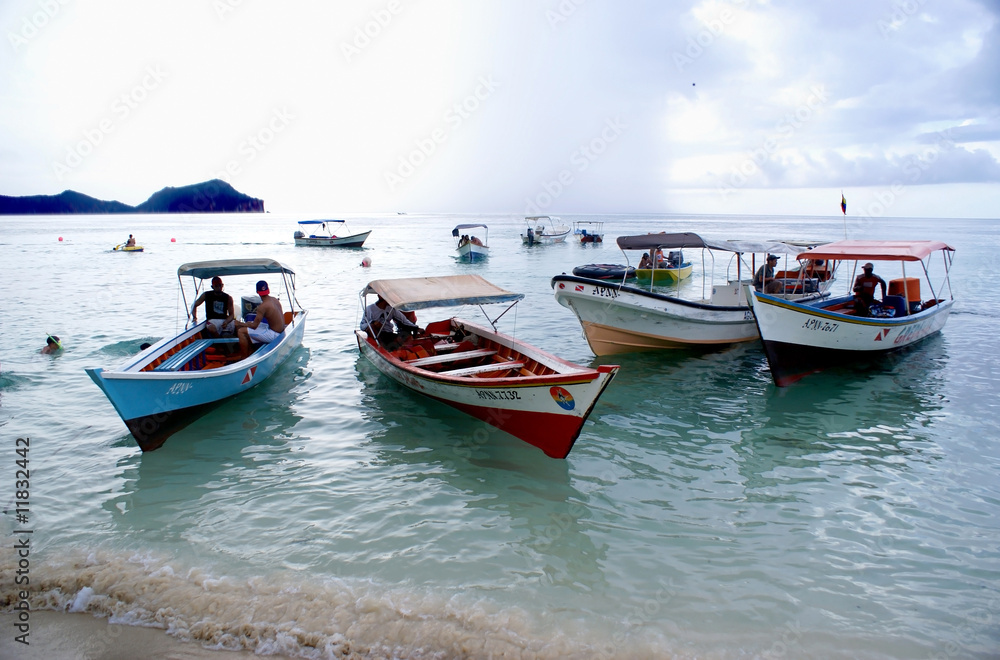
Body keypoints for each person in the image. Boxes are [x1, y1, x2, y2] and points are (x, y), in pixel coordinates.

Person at [234, 280, 286, 358]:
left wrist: (239, 323)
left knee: (241, 331)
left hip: (274, 335)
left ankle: (244, 358)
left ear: (257, 292)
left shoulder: (263, 306)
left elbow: (254, 326)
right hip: (282, 332)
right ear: (268, 290)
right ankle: (251, 351)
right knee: (250, 325)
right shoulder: (275, 300)